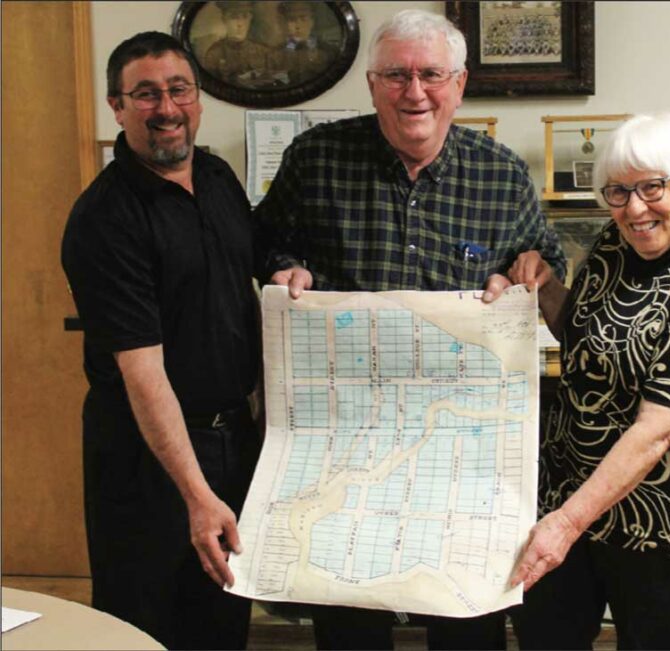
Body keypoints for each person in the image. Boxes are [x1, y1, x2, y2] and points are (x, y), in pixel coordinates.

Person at [253, 9, 566, 650]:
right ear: (372, 84)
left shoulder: (501, 174)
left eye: (430, 74)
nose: (414, 92)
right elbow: (260, 243)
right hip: (344, 452)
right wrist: (284, 270)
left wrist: (532, 273)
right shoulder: (315, 160)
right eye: (396, 75)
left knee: (468, 626)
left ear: (459, 83)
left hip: (461, 456)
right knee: (348, 623)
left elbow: (547, 264)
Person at [489, 113, 670, 650]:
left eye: (652, 187)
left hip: (661, 520)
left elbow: (661, 426)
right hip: (567, 495)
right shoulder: (614, 244)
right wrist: (545, 285)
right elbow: (583, 334)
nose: (634, 208)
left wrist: (565, 524)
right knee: (544, 638)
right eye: (619, 191)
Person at [61, 32, 261, 650]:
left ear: (199, 100)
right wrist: (197, 495)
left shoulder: (220, 176)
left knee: (222, 621)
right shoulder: (106, 218)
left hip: (233, 442)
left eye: (179, 90)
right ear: (116, 107)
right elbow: (143, 373)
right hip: (147, 459)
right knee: (143, 626)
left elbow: (253, 275)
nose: (166, 108)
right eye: (146, 95)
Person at [201, 1, 272, 88]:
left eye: (245, 17)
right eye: (233, 17)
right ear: (224, 20)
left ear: (250, 19)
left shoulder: (263, 52)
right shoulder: (214, 54)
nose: (240, 24)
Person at [275, 1, 338, 85]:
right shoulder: (276, 54)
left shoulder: (329, 51)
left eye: (303, 19)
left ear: (312, 22)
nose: (298, 26)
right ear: (285, 23)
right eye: (292, 20)